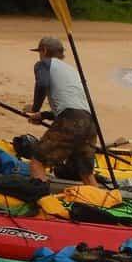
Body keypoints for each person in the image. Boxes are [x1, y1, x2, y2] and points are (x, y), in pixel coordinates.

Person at [24, 36, 99, 186]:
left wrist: (35, 108)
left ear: (44, 50)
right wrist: (43, 115)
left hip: (71, 119)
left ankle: (40, 199)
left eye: (39, 51)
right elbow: (75, 106)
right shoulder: (73, 71)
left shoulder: (43, 64)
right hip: (90, 123)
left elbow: (42, 84)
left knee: (37, 161)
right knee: (86, 173)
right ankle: (99, 204)